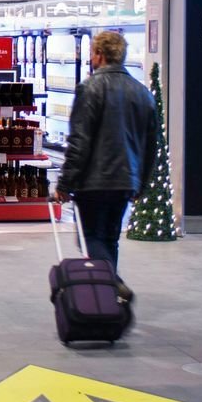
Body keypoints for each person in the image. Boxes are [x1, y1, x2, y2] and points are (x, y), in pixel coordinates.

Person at [52, 30, 158, 298]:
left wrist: (65, 183)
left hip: (93, 181)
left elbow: (80, 141)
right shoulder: (143, 93)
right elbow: (151, 145)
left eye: (92, 53)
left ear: (99, 54)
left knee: (90, 238)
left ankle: (110, 284)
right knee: (110, 238)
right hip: (126, 180)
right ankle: (108, 299)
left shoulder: (90, 88)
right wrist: (141, 183)